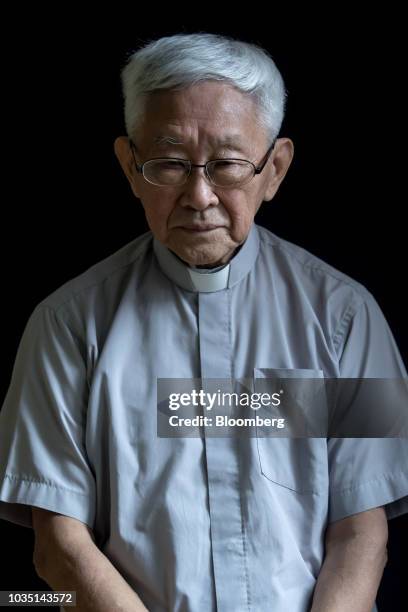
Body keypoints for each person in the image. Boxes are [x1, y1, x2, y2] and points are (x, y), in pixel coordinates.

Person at [0, 32, 407, 612]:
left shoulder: (346, 317)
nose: (198, 195)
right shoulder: (66, 326)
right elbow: (58, 547)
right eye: (169, 163)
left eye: (228, 165)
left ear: (276, 169)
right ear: (130, 166)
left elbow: (361, 533)